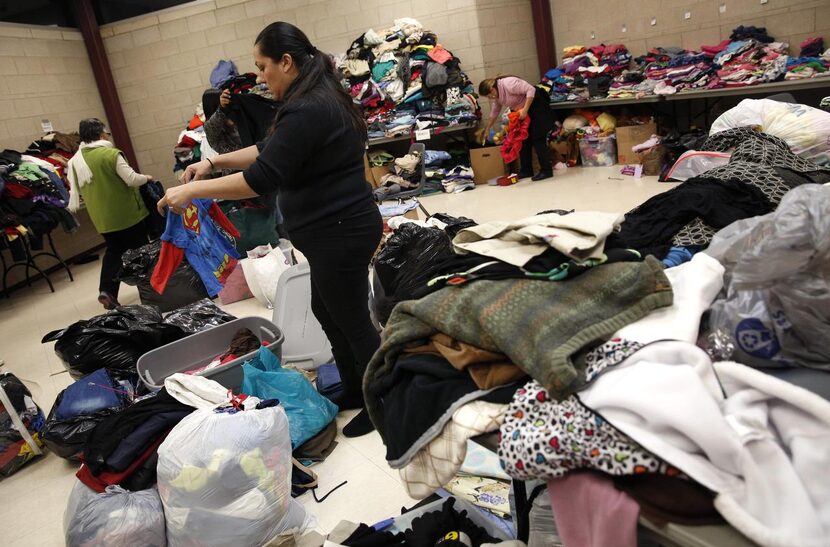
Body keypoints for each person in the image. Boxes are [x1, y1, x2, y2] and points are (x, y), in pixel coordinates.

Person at [158, 21, 382, 438]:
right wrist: (211, 162)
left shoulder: (308, 107)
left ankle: (380, 401)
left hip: (339, 231)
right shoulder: (313, 98)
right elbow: (270, 149)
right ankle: (354, 387)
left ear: (287, 61)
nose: (259, 76)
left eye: (263, 66)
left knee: (352, 320)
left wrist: (192, 192)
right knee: (326, 310)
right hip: (334, 230)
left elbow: (262, 176)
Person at [67, 118, 153, 310]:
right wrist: (146, 178)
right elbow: (131, 180)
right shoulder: (110, 154)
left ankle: (107, 290)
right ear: (100, 134)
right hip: (128, 215)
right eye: (106, 132)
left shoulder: (75, 162)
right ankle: (149, 291)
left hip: (103, 220)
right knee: (140, 252)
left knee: (114, 252)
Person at [479, 76, 554, 181]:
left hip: (535, 104)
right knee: (522, 139)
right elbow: (495, 111)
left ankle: (547, 170)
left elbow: (530, 90)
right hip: (520, 110)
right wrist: (487, 128)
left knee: (537, 138)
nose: (490, 98)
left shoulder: (509, 84)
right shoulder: (497, 96)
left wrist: (525, 109)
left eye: (489, 95)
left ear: (492, 90)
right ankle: (526, 170)